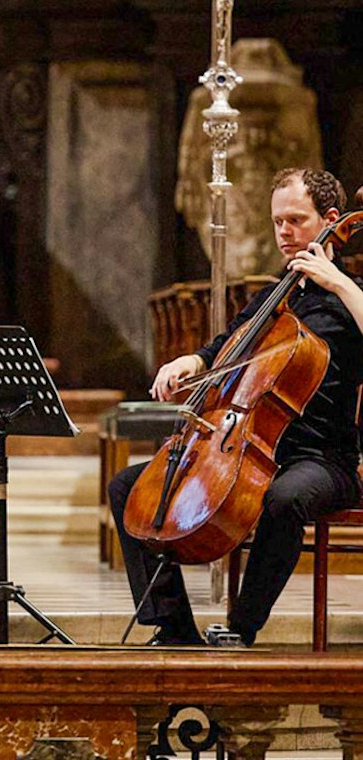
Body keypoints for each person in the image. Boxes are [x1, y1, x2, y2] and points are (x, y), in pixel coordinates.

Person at [108, 168, 363, 647]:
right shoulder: (275, 295)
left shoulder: (351, 301)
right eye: (277, 222)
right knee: (128, 487)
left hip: (321, 460)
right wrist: (191, 360)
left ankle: (242, 627)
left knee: (285, 498)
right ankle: (173, 625)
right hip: (246, 445)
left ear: (330, 220)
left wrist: (341, 285)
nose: (284, 233)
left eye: (296, 220)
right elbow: (227, 347)